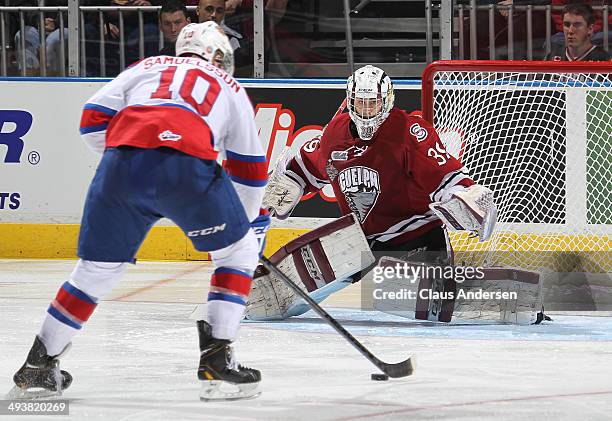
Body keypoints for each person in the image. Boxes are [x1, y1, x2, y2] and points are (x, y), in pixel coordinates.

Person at [10, 21, 269, 402]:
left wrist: (129, 151)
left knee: (94, 271)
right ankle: (217, 362)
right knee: (239, 254)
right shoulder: (229, 86)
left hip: (121, 166)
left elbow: (91, 120)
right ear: (218, 55)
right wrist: (241, 230)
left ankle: (39, 364)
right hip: (187, 169)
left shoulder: (145, 67)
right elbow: (250, 169)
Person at [251, 65, 497, 320]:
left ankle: (489, 298)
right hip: (361, 239)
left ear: (387, 102)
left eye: (374, 104)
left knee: (418, 303)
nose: (367, 111)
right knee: (311, 271)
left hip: (416, 236)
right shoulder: (334, 134)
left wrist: (466, 198)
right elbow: (305, 167)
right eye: (361, 103)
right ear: (350, 101)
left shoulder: (410, 132)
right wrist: (282, 187)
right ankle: (261, 300)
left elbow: (446, 178)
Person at [545, 3, 611, 60]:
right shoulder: (552, 57)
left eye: (577, 25)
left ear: (590, 29)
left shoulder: (604, 59)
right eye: (567, 25)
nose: (570, 31)